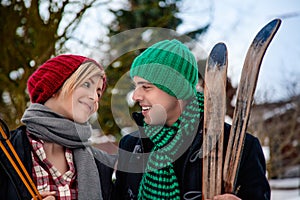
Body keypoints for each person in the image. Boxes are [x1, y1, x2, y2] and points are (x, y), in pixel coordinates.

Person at [112, 39, 270, 200]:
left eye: (146, 87)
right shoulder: (130, 145)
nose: (135, 96)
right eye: (136, 86)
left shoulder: (240, 146)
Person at [0, 55, 116, 200]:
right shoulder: (6, 152)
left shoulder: (102, 164)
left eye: (98, 93)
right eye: (87, 85)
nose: (94, 97)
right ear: (54, 87)